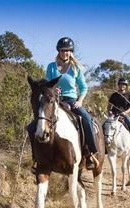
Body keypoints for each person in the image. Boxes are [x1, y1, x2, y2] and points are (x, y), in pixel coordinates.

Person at [27, 36, 99, 171]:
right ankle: (36, 158)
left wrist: (80, 101)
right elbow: (47, 85)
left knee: (87, 119)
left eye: (67, 50)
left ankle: (89, 153)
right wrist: (53, 90)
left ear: (71, 52)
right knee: (32, 127)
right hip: (54, 101)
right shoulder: (51, 67)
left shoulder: (76, 68)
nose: (65, 53)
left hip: (72, 101)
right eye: (62, 50)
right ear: (58, 52)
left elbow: (83, 87)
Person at [108, 77, 130, 151]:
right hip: (114, 115)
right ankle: (104, 145)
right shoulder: (114, 95)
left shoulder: (129, 95)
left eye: (124, 85)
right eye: (120, 84)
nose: (122, 86)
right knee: (105, 125)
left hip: (123, 114)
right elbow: (109, 106)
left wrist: (125, 112)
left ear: (126, 86)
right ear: (118, 85)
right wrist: (110, 111)